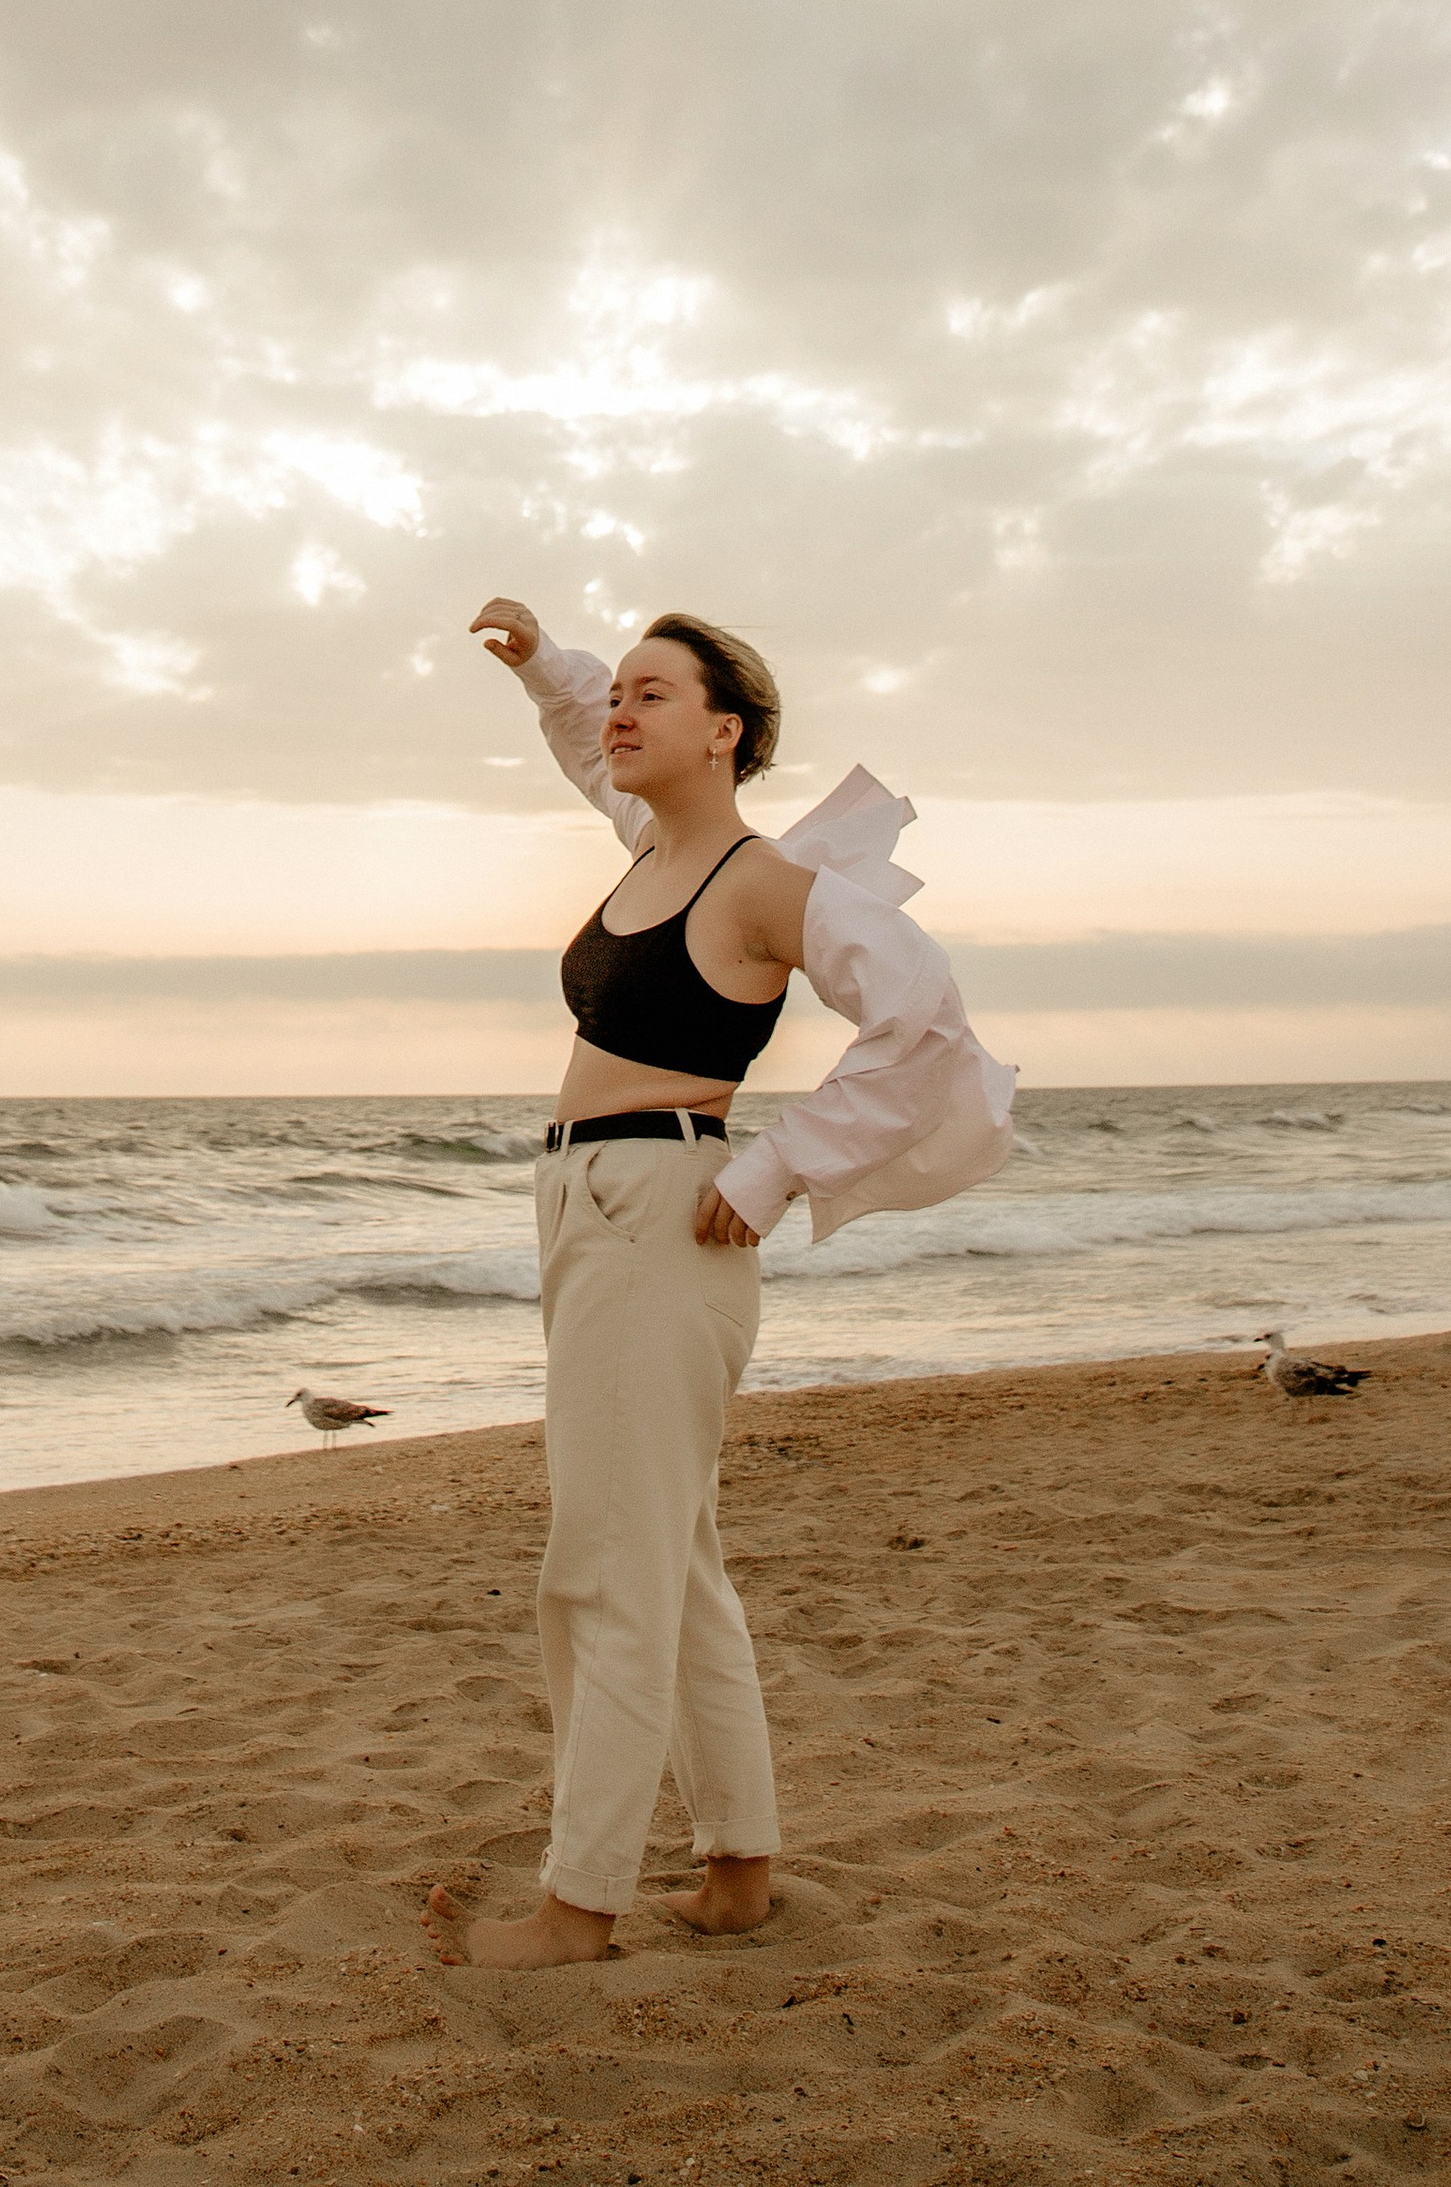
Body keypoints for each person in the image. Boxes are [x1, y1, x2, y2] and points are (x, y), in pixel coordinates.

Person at [422, 598, 1015, 1970]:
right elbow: (586, 742)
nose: (621, 713)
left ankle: (580, 1909)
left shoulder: (761, 885)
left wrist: (776, 1171)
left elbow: (925, 1027)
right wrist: (544, 669)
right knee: (670, 1558)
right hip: (586, 1206)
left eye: (654, 695)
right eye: (618, 691)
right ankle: (739, 1870)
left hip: (663, 1215)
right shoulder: (647, 851)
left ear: (726, 732)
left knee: (606, 1568)